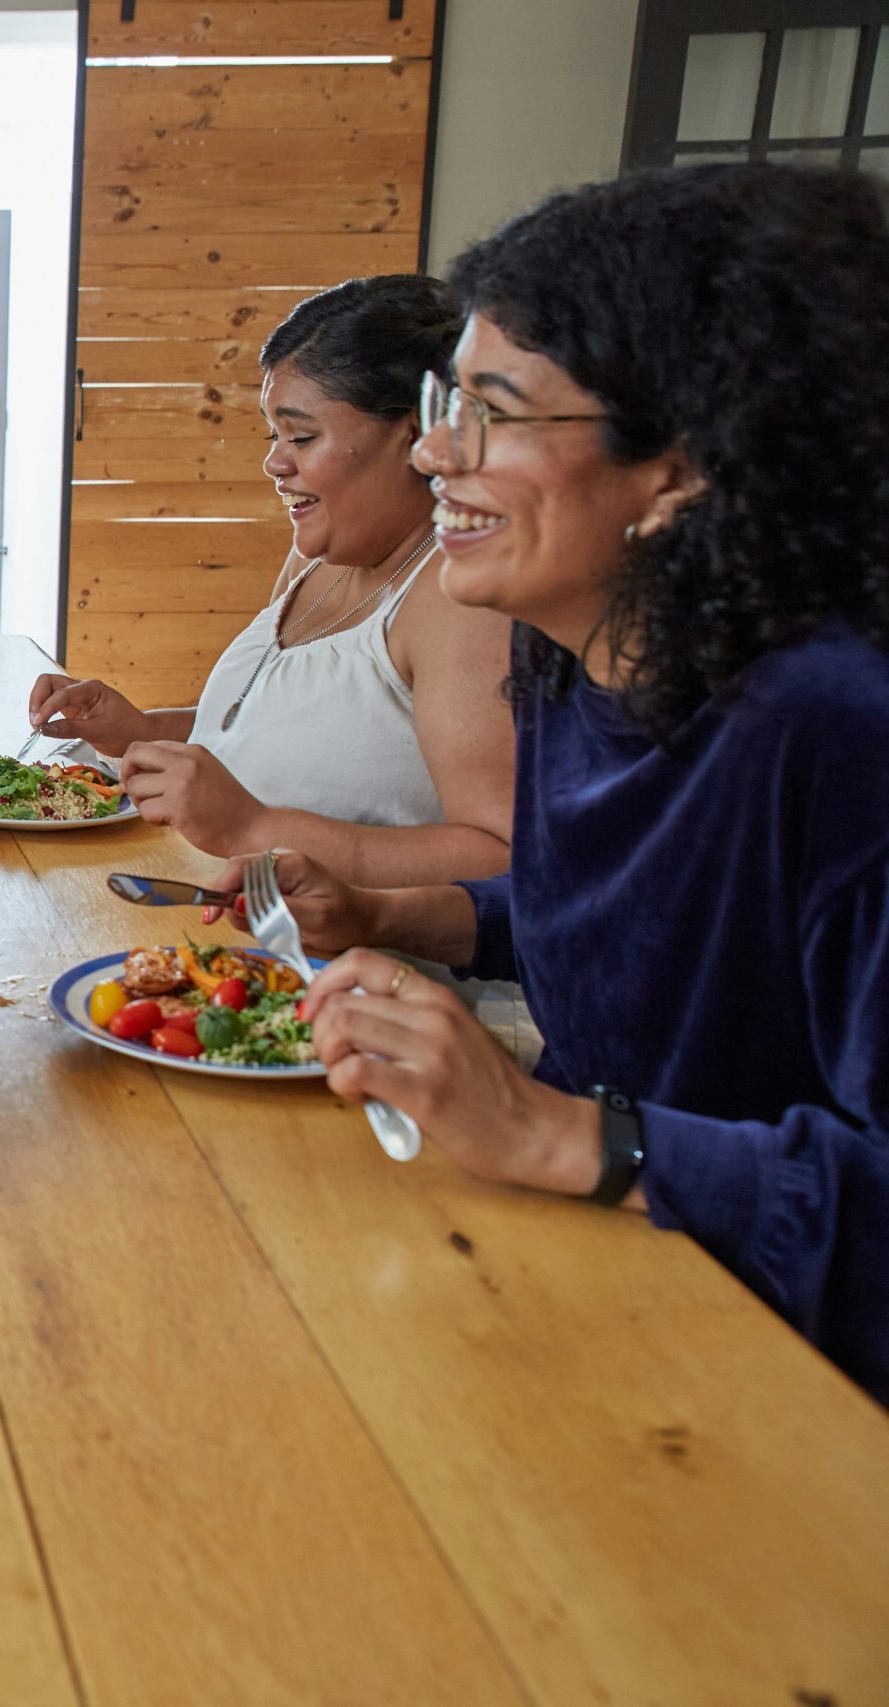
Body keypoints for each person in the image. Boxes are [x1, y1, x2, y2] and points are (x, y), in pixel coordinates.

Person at [234, 165, 889, 1403]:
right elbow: (618, 923)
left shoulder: (838, 731)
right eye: (443, 401)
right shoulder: (573, 655)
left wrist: (559, 1133)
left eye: (494, 409)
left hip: (786, 1385)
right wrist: (385, 915)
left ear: (681, 466)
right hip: (594, 1269)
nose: (433, 448)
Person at [29, 277, 515, 886]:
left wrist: (254, 831)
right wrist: (142, 732)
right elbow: (282, 735)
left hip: (343, 968)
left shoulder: (458, 600)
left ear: (419, 435)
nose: (274, 463)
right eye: (273, 435)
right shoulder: (317, 559)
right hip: (212, 923)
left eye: (303, 437)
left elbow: (501, 860)